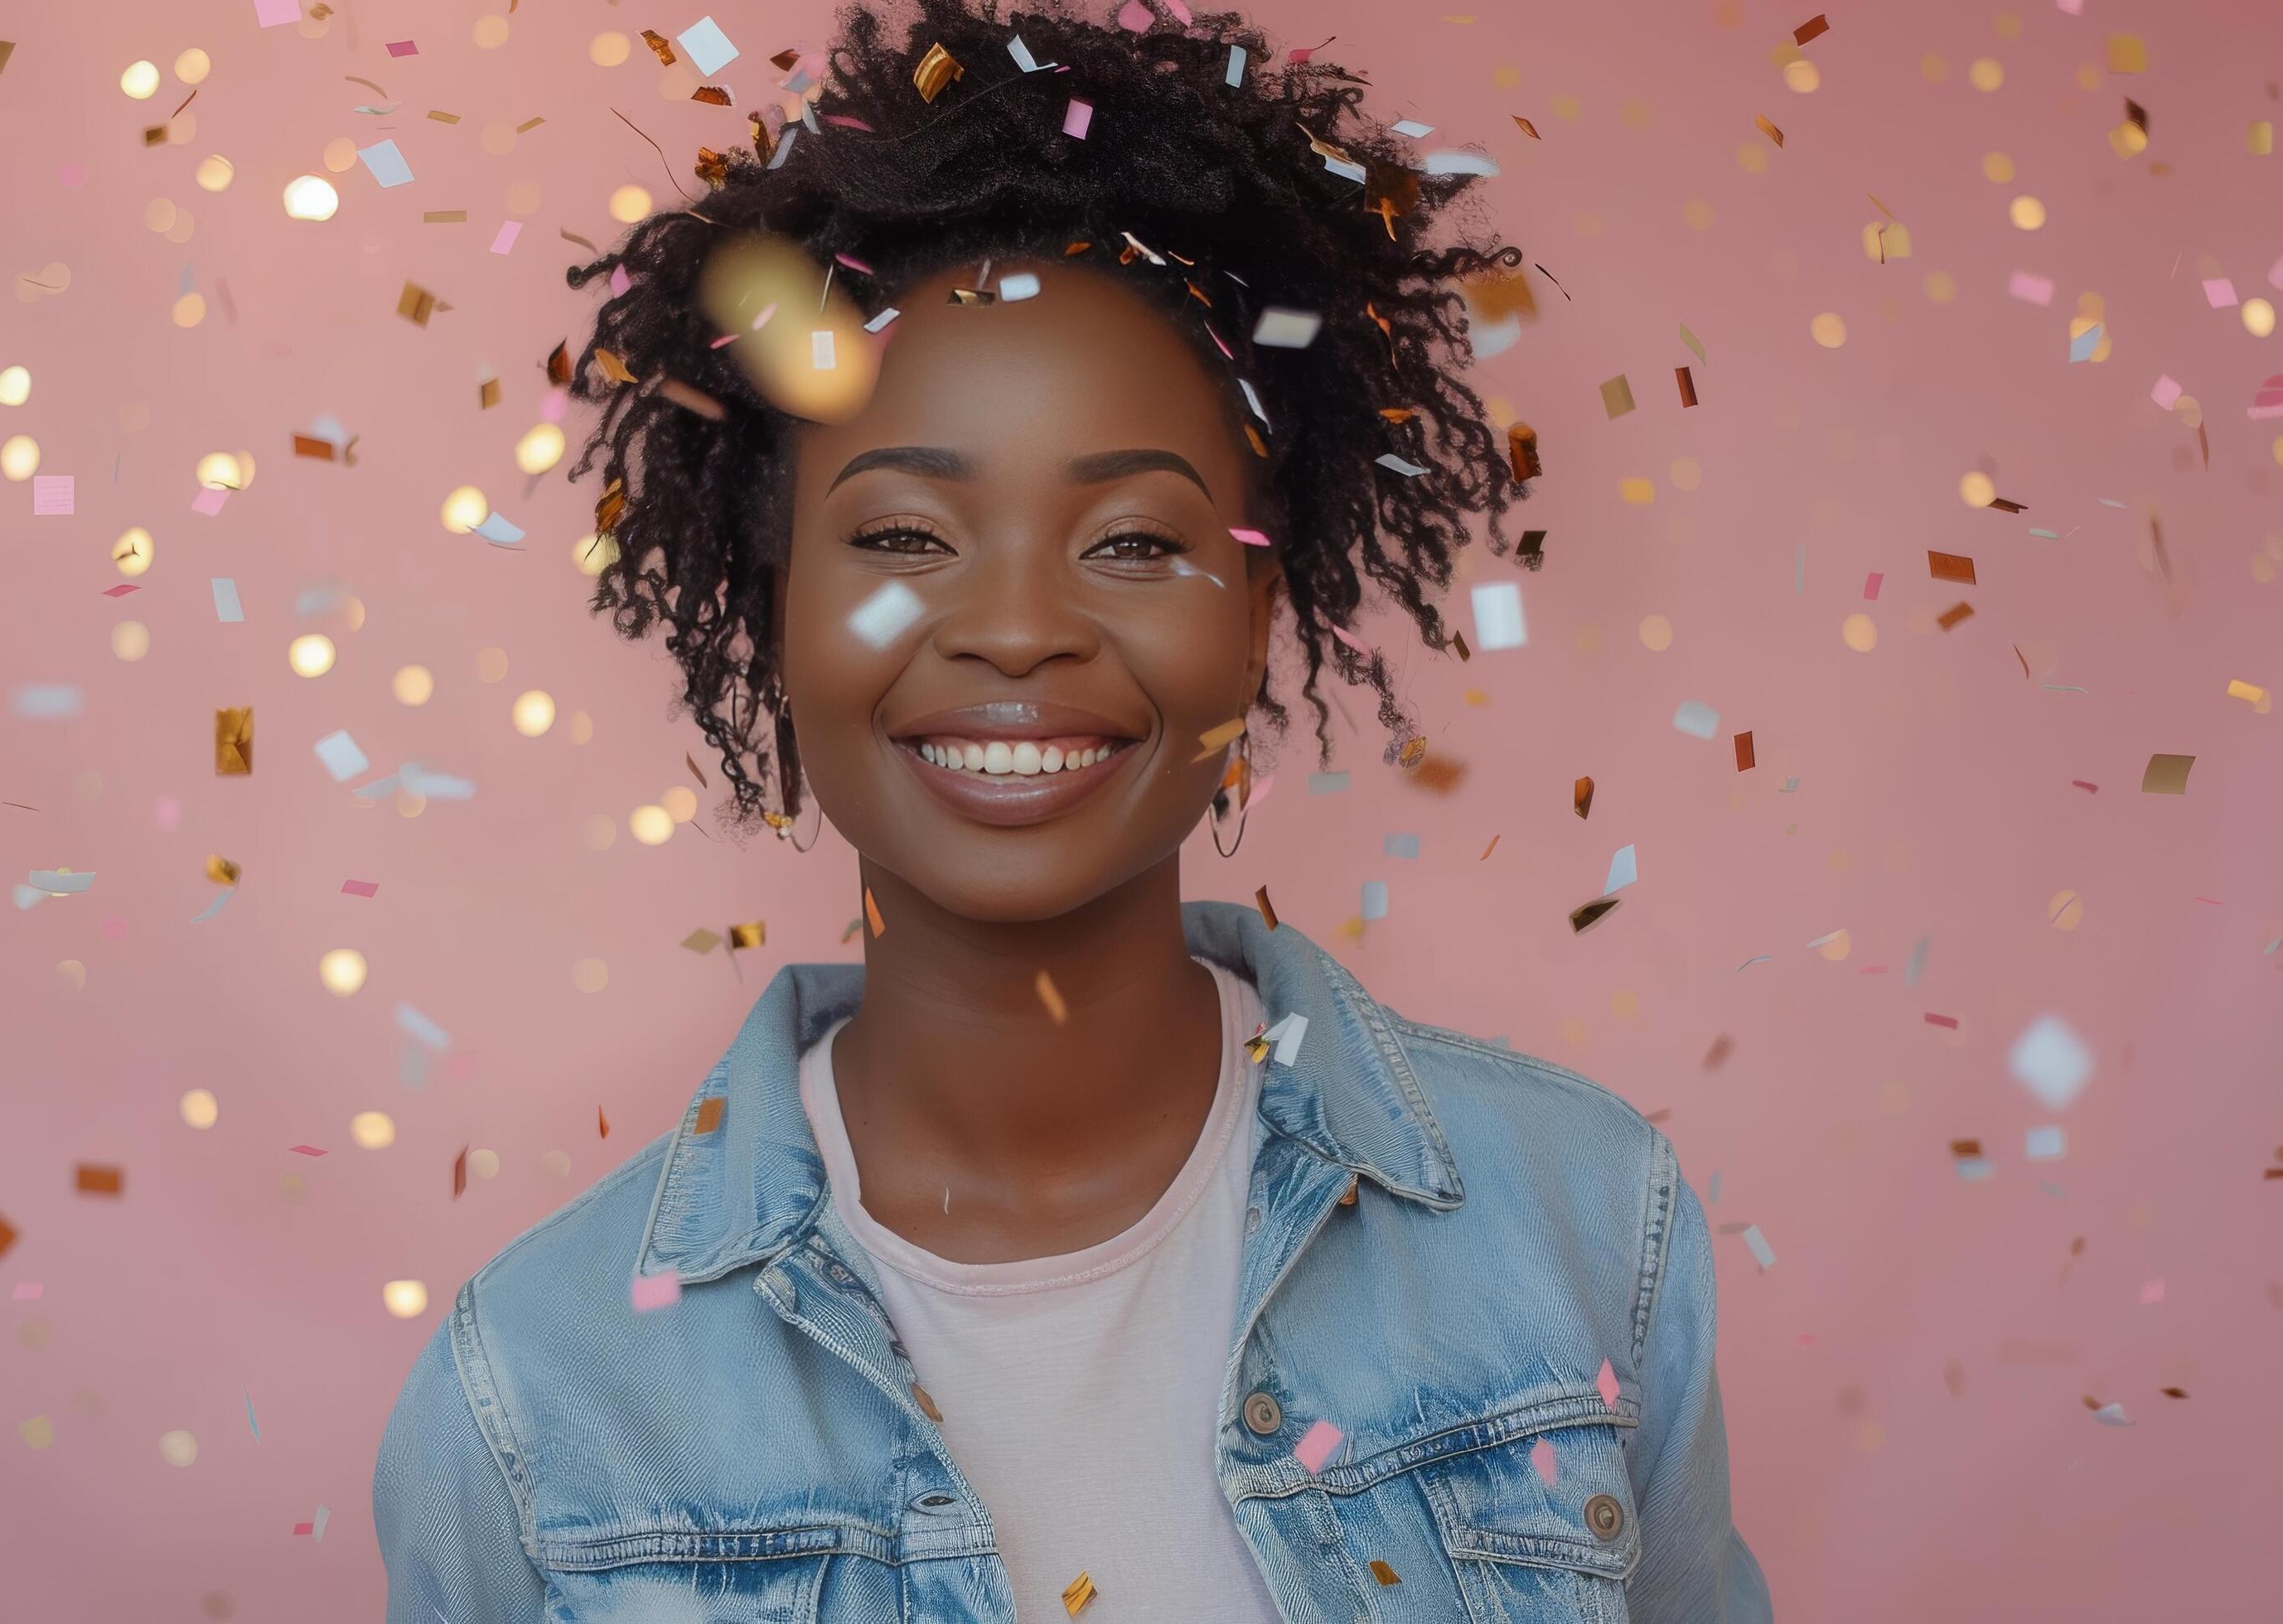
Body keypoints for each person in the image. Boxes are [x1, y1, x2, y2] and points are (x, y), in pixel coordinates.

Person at [374, 2, 1772, 1618]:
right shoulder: (535, 1410)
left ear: (1258, 619)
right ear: (776, 611)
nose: (1020, 625)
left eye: (1130, 539)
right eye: (903, 537)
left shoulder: (1589, 1228)